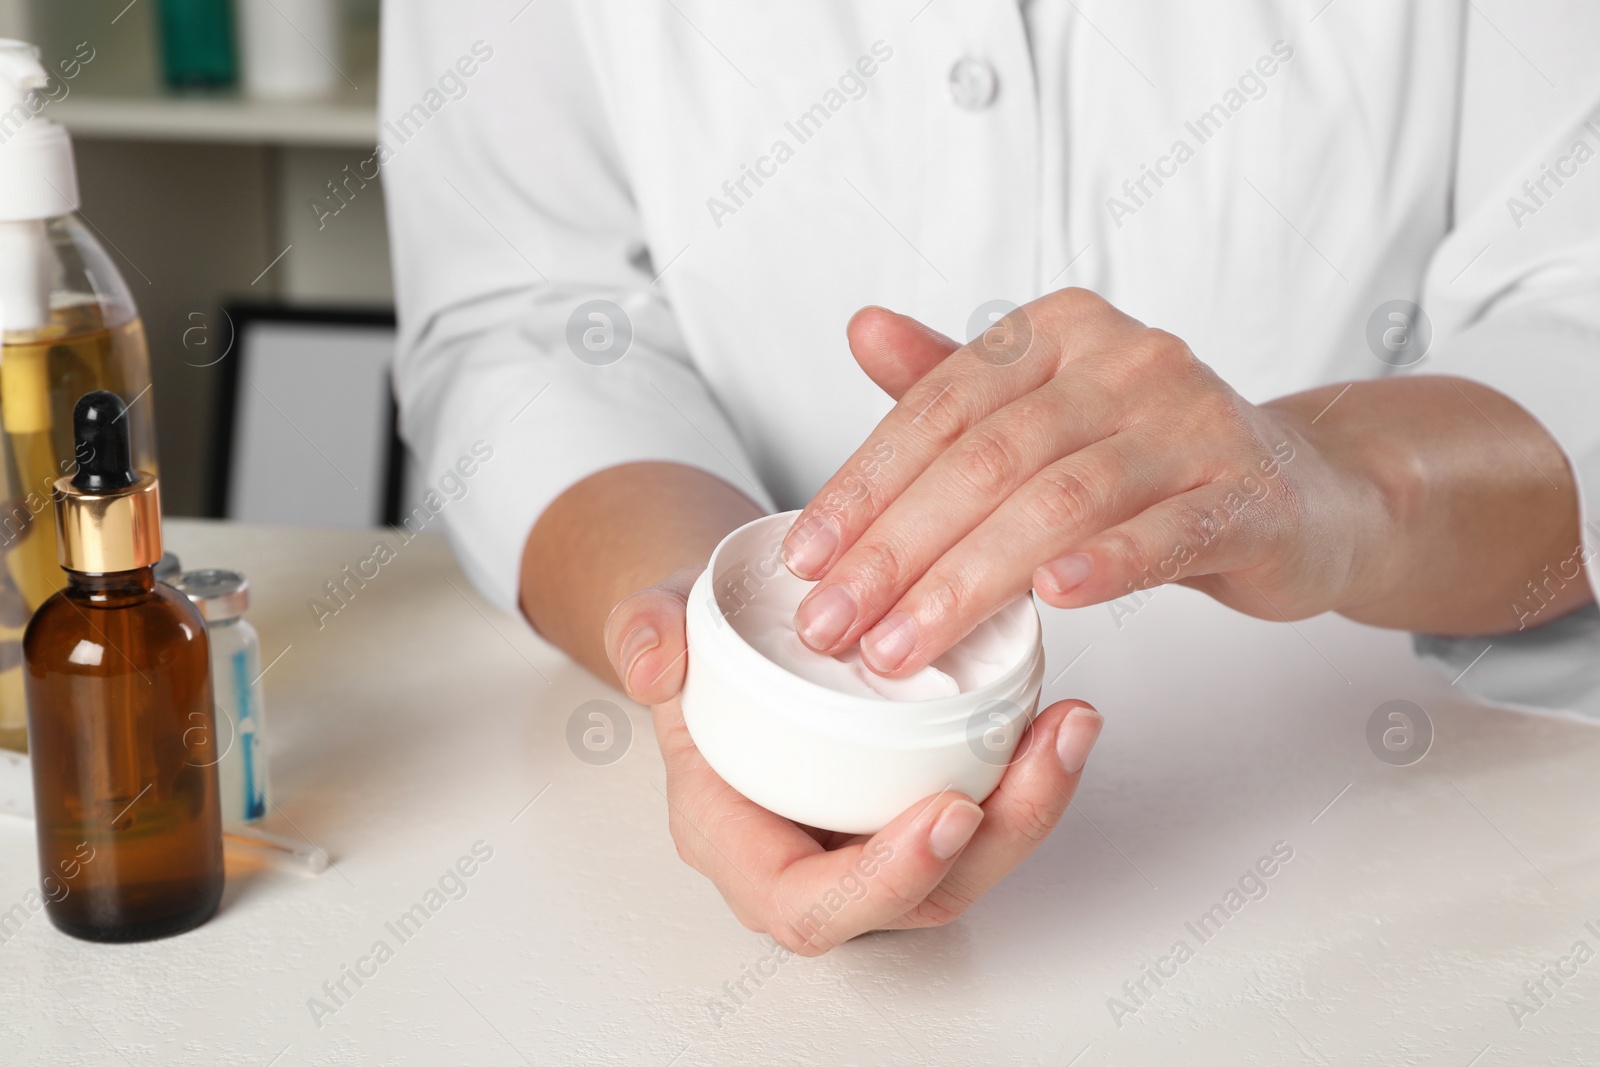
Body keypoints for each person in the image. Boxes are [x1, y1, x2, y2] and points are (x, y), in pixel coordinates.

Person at [381, 2, 1600, 954]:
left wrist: (1337, 483)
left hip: (1402, 825)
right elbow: (530, 315)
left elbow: (1576, 302)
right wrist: (714, 661)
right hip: (674, 926)